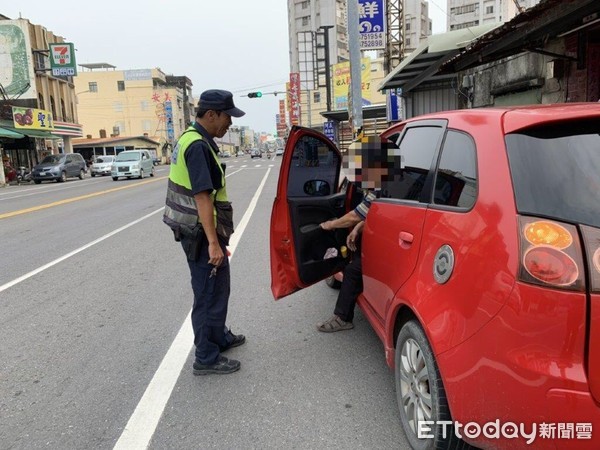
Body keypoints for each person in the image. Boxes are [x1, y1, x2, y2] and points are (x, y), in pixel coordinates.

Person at [163, 89, 246, 375]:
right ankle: (206, 357)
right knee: (208, 292)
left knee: (217, 287)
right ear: (211, 114)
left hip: (198, 231)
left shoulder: (192, 138)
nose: (230, 124)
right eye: (227, 117)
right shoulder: (197, 145)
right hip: (199, 234)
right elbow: (202, 197)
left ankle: (218, 337)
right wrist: (213, 243)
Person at [316, 135, 399, 332]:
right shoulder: (394, 179)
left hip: (392, 243)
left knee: (353, 270)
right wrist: (358, 227)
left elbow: (355, 214)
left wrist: (331, 224)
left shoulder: (382, 186)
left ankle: (342, 318)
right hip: (395, 237)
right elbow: (369, 213)